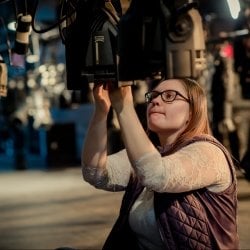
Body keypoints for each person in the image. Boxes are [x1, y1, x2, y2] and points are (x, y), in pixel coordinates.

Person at [81, 78, 239, 250]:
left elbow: (156, 175)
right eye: (153, 96)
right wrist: (101, 111)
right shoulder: (148, 154)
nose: (155, 101)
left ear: (192, 112)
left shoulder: (209, 152)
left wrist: (124, 106)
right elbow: (95, 173)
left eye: (169, 96)